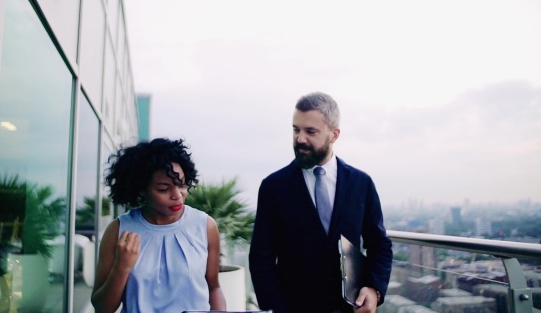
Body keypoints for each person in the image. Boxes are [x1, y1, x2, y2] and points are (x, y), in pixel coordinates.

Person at [249, 92, 393, 313]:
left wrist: (374, 289)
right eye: (296, 129)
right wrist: (275, 309)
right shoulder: (273, 187)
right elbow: (261, 257)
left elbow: (380, 245)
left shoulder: (361, 184)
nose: (300, 138)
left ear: (334, 135)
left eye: (310, 131)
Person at [91, 138, 226, 313]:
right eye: (164, 189)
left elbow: (213, 287)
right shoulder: (119, 230)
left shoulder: (205, 226)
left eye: (182, 184)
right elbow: (102, 308)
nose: (177, 195)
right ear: (141, 190)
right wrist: (121, 267)